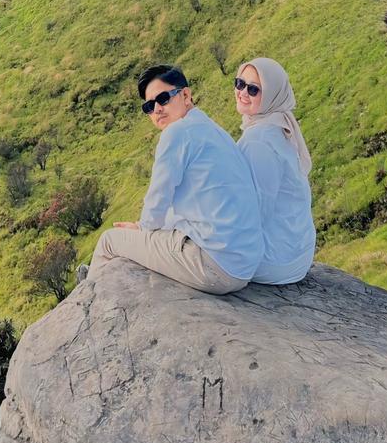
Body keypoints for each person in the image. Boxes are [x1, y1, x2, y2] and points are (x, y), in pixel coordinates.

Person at [86, 64, 264, 294]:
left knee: (109, 241)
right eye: (149, 106)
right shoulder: (211, 129)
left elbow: (158, 200)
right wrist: (143, 226)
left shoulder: (177, 132)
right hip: (243, 266)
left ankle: (88, 298)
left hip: (215, 267)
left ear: (186, 95)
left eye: (163, 99)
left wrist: (143, 228)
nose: (157, 109)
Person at [235, 58, 316, 284]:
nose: (242, 92)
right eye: (239, 83)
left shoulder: (258, 141)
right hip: (297, 253)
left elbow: (256, 212)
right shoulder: (279, 125)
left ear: (272, 94)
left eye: (253, 89)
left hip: (275, 262)